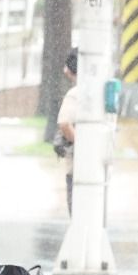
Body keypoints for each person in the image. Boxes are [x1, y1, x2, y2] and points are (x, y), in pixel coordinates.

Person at [55, 48, 79, 215]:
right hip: (94, 168)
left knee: (77, 215)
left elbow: (64, 123)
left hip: (76, 168)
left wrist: (80, 144)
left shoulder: (74, 94)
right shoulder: (95, 92)